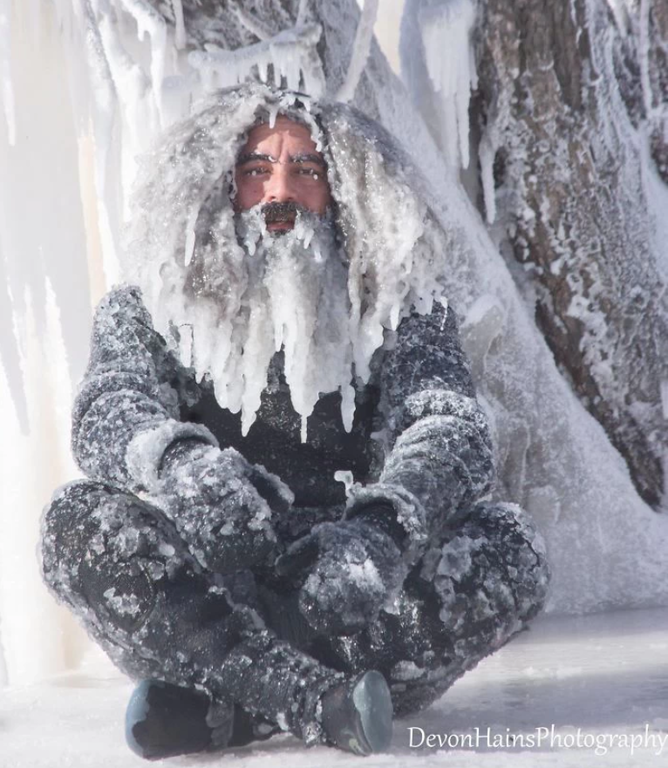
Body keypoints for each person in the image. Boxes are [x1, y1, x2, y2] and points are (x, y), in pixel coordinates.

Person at [40, 83, 550, 760]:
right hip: (207, 596)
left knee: (511, 548)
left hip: (353, 597)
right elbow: (109, 406)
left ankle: (235, 709)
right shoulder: (151, 304)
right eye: (257, 169)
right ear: (218, 184)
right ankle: (310, 699)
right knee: (74, 523)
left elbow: (449, 426)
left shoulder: (402, 306)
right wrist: (182, 467)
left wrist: (382, 530)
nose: (279, 191)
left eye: (307, 169)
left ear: (344, 190)